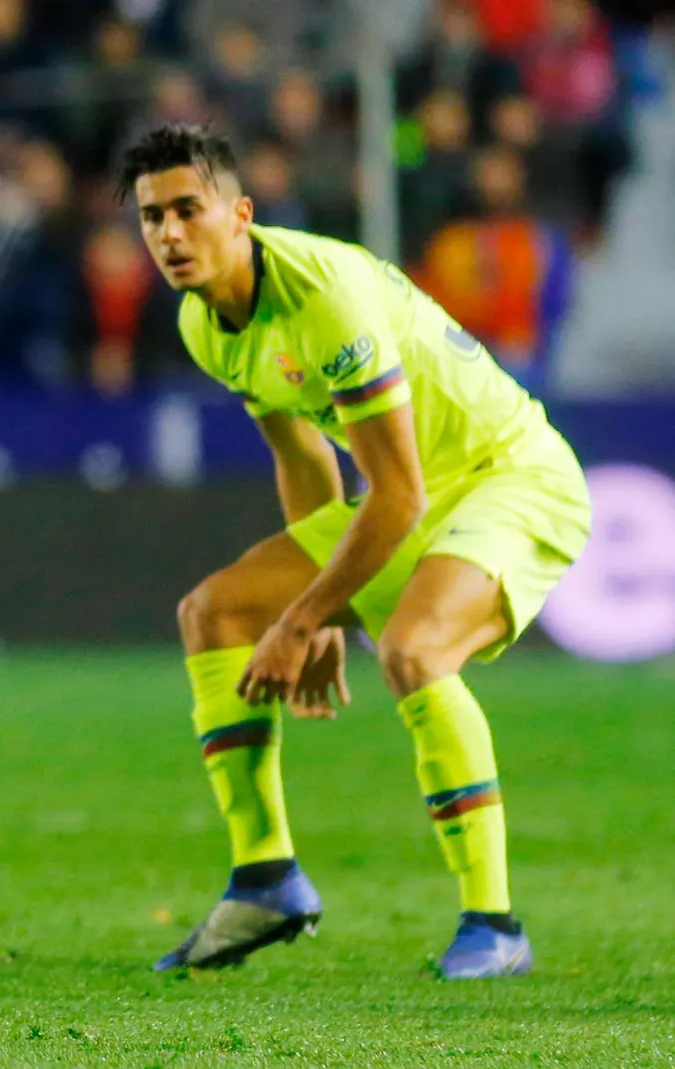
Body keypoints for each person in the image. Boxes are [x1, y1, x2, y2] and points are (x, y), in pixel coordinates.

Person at [119, 125, 589, 979]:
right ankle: (265, 877)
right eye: (153, 218)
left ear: (240, 213)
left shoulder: (323, 294)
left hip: (507, 476)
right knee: (214, 611)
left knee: (415, 649)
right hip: (410, 494)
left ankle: (495, 923)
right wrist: (319, 612)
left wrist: (304, 618)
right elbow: (303, 457)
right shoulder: (204, 322)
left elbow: (400, 492)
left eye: (189, 210)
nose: (170, 235)